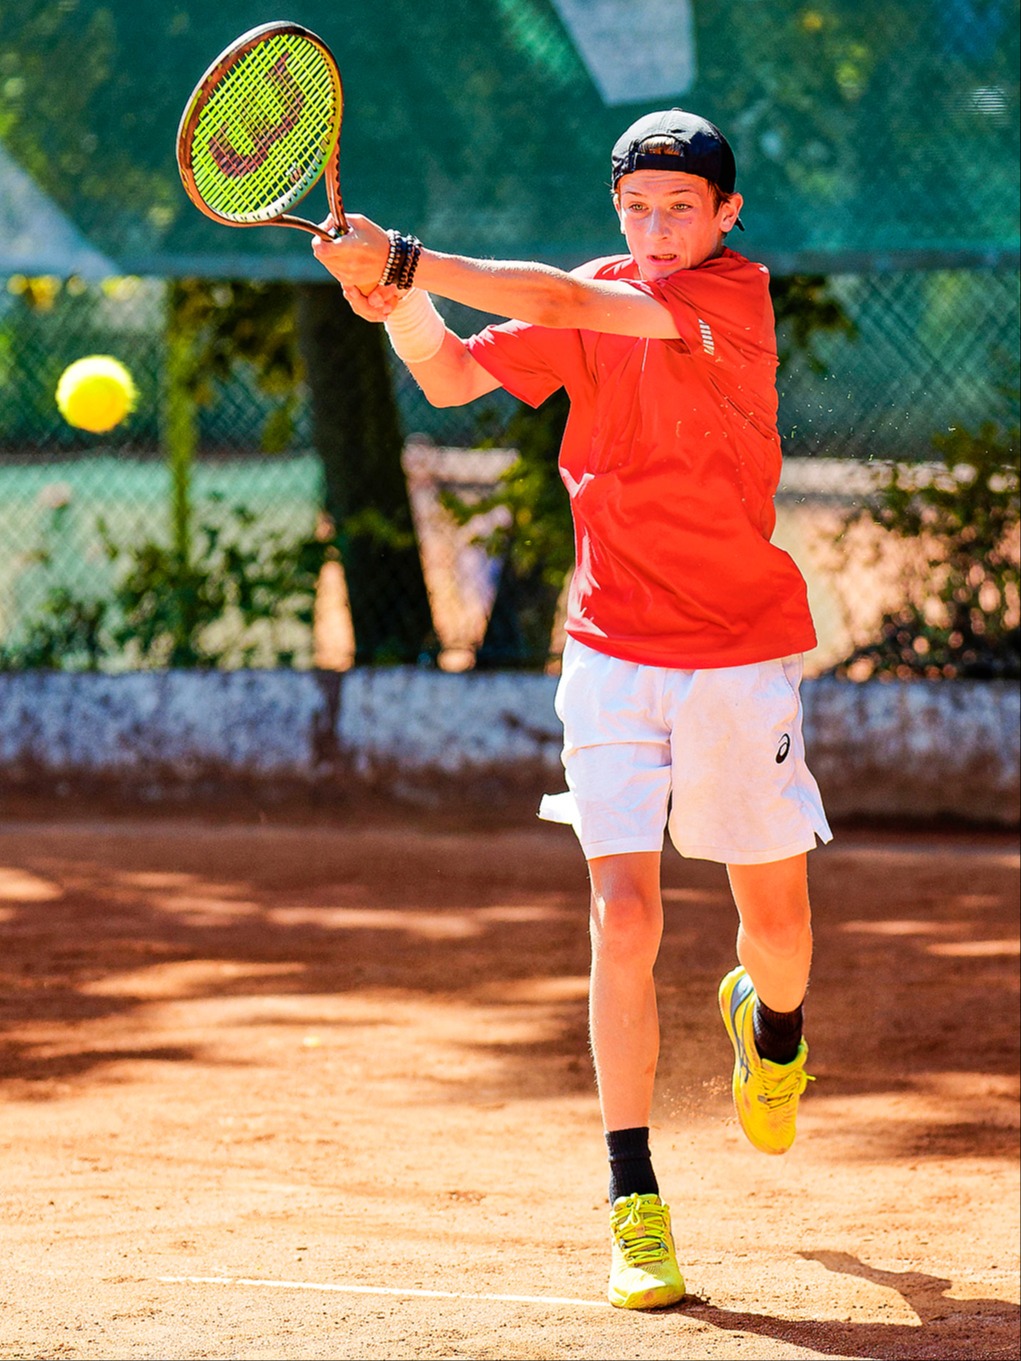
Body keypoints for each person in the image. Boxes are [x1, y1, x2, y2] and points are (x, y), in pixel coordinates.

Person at [311, 108, 832, 1311]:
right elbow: (447, 378)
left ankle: (776, 1023)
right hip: (606, 651)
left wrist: (404, 259)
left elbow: (574, 307)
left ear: (726, 215)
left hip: (739, 655)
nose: (656, 231)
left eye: (681, 209)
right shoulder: (594, 287)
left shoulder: (733, 298)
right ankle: (632, 1198)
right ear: (617, 209)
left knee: (782, 938)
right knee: (624, 912)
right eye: (637, 209)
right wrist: (401, 308)